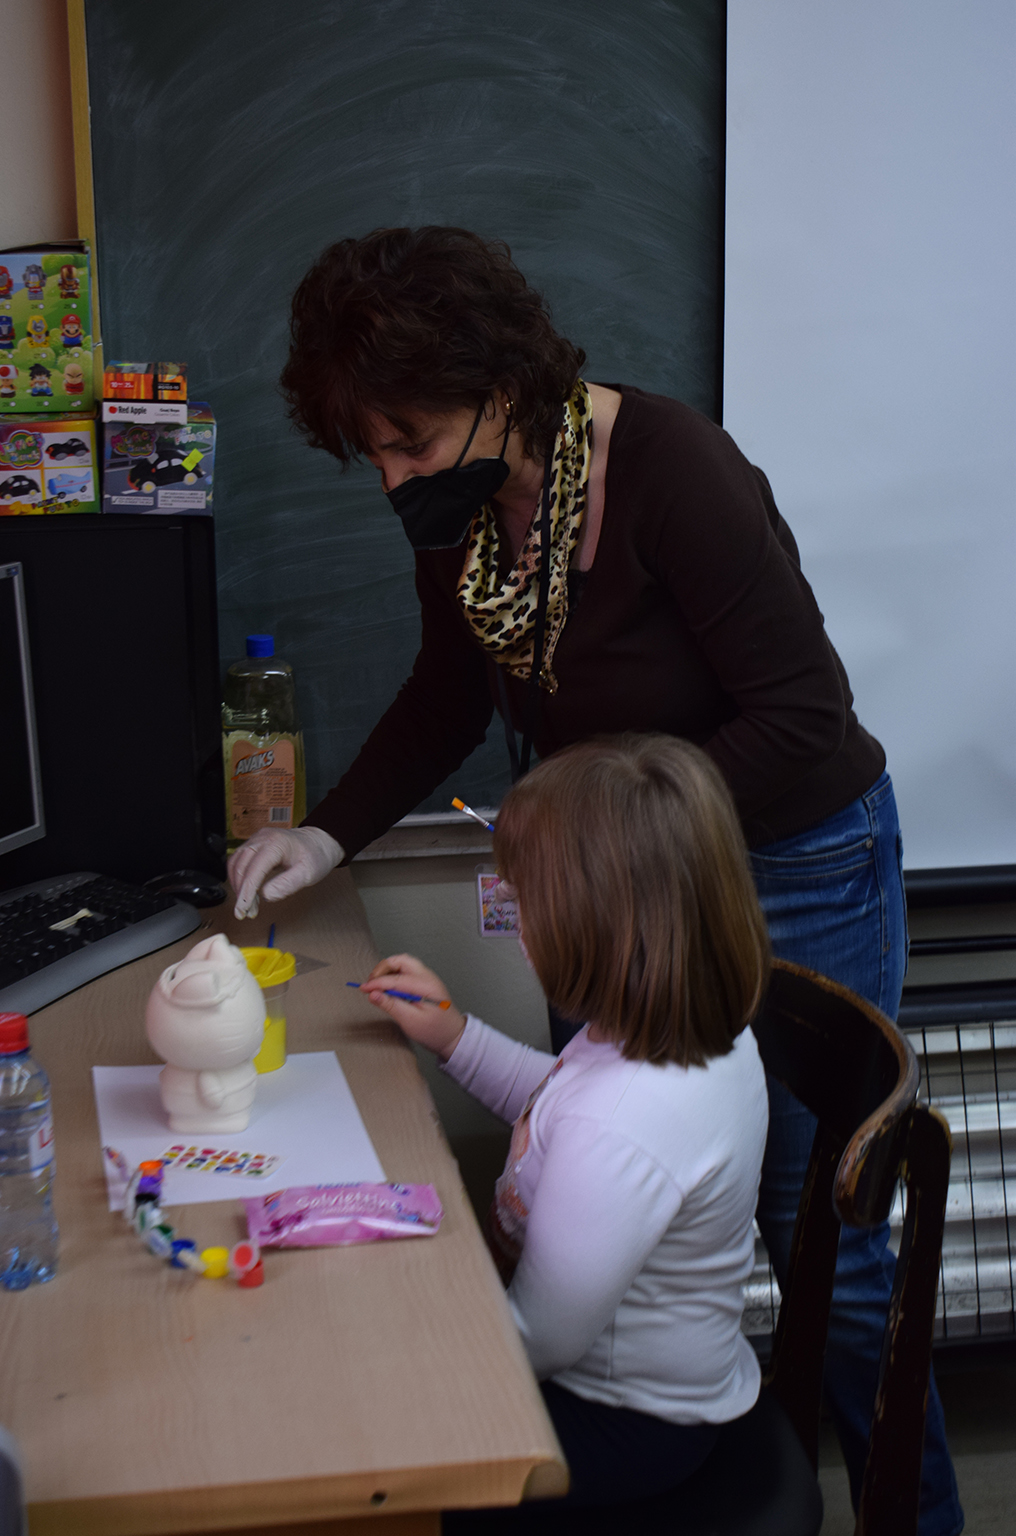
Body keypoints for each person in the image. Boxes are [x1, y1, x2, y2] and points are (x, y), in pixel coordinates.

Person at [227, 226, 962, 1534]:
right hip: (621, 867)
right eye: (372, 453)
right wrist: (325, 837)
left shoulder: (673, 470)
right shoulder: (460, 509)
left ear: (502, 386)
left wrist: (609, 848)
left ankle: (921, 1520)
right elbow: (447, 690)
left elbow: (801, 716)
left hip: (787, 851)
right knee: (591, 1139)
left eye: (411, 440)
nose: (394, 477)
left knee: (830, 1252)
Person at [360, 735, 771, 1527]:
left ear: (596, 926)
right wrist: (453, 1035)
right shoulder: (679, 1034)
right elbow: (557, 1101)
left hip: (622, 1421)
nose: (514, 920)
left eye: (524, 903)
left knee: (385, 1472)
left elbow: (534, 1341)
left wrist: (391, 1342)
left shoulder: (622, 1122)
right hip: (632, 1379)